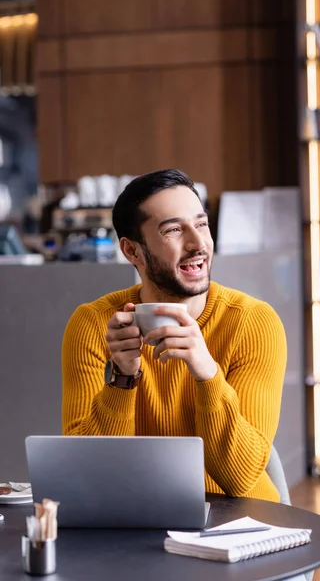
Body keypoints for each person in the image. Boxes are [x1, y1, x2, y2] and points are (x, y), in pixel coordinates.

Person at [62, 169, 287, 502]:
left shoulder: (253, 322)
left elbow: (240, 478)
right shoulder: (94, 324)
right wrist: (123, 379)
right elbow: (84, 474)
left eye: (201, 224)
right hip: (134, 523)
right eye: (173, 230)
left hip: (241, 527)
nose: (198, 244)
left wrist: (207, 373)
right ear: (132, 251)